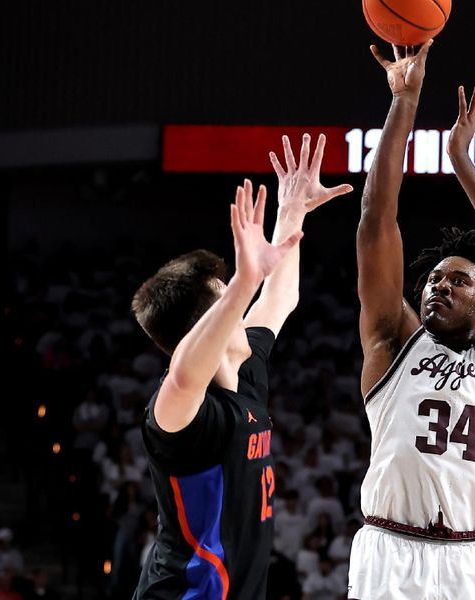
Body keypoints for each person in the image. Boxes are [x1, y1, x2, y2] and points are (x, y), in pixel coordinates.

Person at [348, 40, 475, 599]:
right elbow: (374, 218)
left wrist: (461, 161)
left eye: (459, 280)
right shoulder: (391, 340)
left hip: (470, 556)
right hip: (389, 547)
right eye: (434, 279)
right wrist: (404, 102)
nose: (440, 285)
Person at [131, 134, 351, 600]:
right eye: (228, 295)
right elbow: (185, 373)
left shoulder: (245, 372)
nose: (244, 304)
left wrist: (293, 212)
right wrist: (244, 280)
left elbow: (281, 298)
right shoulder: (178, 410)